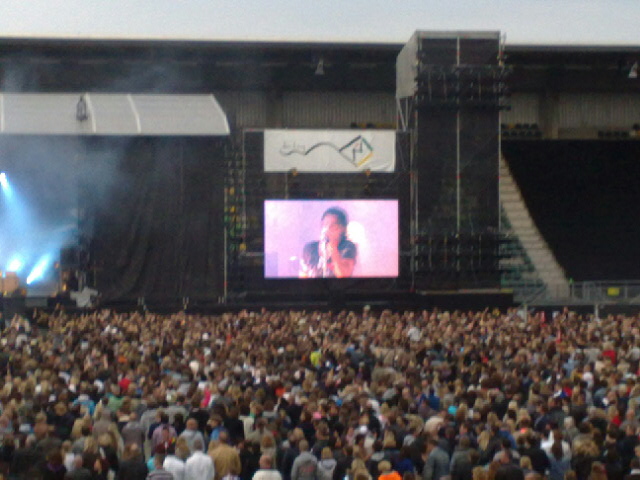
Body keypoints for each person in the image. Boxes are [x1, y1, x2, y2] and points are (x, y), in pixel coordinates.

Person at [299, 207, 357, 278]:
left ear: (342, 229)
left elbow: (343, 275)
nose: (327, 229)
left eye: (333, 226)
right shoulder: (310, 248)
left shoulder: (348, 247)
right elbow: (303, 274)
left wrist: (333, 247)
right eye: (324, 225)